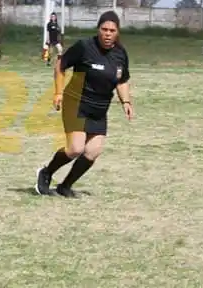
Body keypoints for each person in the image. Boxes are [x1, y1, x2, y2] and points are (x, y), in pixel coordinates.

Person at [35, 10, 133, 198]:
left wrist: (126, 102)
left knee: (92, 152)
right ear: (98, 30)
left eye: (112, 30)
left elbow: (122, 80)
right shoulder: (85, 47)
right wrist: (58, 92)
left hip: (99, 109)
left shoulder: (120, 54)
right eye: (104, 29)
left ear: (117, 32)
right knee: (75, 149)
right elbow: (60, 65)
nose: (107, 33)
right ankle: (46, 173)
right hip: (77, 102)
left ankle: (65, 187)